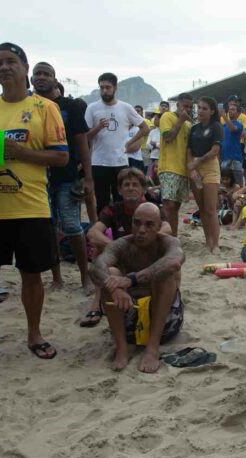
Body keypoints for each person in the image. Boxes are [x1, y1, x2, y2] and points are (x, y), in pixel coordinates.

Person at [0, 43, 68, 364]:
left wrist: (20, 152)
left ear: (24, 67)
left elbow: (61, 156)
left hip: (31, 207)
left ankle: (35, 334)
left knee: (31, 275)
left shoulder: (45, 108)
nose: (4, 67)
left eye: (10, 61)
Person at [90, 203, 184, 373]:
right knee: (109, 274)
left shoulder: (168, 242)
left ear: (158, 227)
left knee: (165, 274)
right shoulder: (121, 245)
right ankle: (122, 348)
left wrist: (131, 280)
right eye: (137, 223)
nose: (141, 230)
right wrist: (115, 288)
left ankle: (152, 347)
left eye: (149, 225)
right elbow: (96, 267)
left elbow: (174, 261)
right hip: (128, 322)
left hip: (165, 324)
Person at [31, 62, 94, 293]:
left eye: (46, 74)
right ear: (31, 78)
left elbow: (83, 144)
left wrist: (88, 178)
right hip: (37, 177)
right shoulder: (28, 106)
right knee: (48, 229)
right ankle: (56, 277)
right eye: (37, 74)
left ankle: (85, 276)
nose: (41, 78)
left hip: (67, 176)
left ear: (55, 80)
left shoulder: (70, 106)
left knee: (71, 225)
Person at [85, 168, 171, 326]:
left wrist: (144, 241)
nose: (131, 188)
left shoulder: (153, 208)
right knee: (99, 248)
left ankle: (166, 302)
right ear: (119, 190)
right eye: (126, 185)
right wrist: (117, 246)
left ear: (144, 189)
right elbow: (93, 233)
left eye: (135, 184)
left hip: (147, 257)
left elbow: (167, 229)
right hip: (124, 259)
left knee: (169, 255)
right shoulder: (113, 209)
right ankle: (96, 303)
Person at [85, 72, 149, 214]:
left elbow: (145, 128)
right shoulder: (92, 108)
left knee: (121, 201)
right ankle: (104, 232)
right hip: (99, 162)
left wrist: (129, 143)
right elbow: (86, 136)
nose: (104, 91)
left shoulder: (125, 107)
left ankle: (120, 231)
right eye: (101, 88)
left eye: (107, 87)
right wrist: (98, 127)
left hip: (120, 162)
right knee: (101, 201)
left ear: (115, 88)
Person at [187, 97, 224, 253]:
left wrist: (197, 163)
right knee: (201, 207)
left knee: (210, 208)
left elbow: (215, 150)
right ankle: (207, 240)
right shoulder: (194, 129)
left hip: (209, 167)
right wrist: (191, 167)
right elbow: (188, 150)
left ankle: (215, 244)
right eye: (199, 107)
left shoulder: (216, 127)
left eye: (204, 108)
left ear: (212, 111)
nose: (200, 111)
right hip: (195, 168)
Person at [158, 93, 192, 237]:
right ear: (178, 105)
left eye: (191, 107)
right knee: (169, 205)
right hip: (168, 167)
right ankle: (168, 237)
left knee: (176, 207)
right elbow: (168, 138)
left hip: (183, 170)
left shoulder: (189, 125)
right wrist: (180, 121)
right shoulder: (167, 117)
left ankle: (173, 237)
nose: (188, 109)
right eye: (185, 106)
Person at [220, 103, 244, 187]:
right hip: (224, 158)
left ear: (238, 113)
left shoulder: (239, 125)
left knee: (237, 183)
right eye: (229, 109)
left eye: (233, 109)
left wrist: (223, 116)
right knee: (224, 184)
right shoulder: (223, 126)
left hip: (235, 158)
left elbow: (233, 129)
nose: (230, 111)